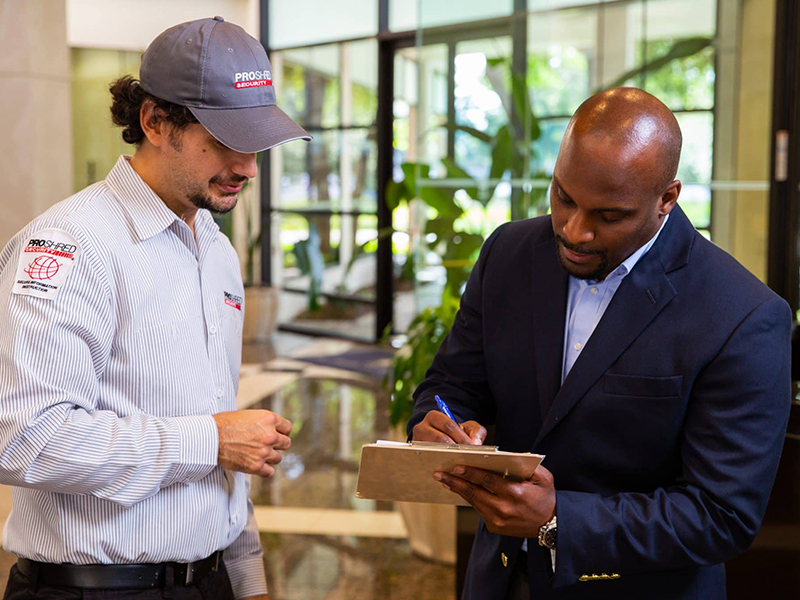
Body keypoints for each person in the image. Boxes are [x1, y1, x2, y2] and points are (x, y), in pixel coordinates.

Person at [408, 87, 791, 600]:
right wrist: (438, 423)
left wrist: (559, 519)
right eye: (563, 196)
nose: (574, 230)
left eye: (609, 215)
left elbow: (721, 516)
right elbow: (451, 384)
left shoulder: (743, 315)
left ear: (666, 198)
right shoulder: (508, 252)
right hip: (495, 579)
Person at [0, 16, 310, 600]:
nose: (247, 167)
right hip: (92, 590)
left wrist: (248, 579)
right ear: (154, 121)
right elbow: (23, 439)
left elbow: (222, 430)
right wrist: (208, 441)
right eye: (224, 142)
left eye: (256, 145)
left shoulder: (214, 248)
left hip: (210, 580)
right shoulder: (69, 244)